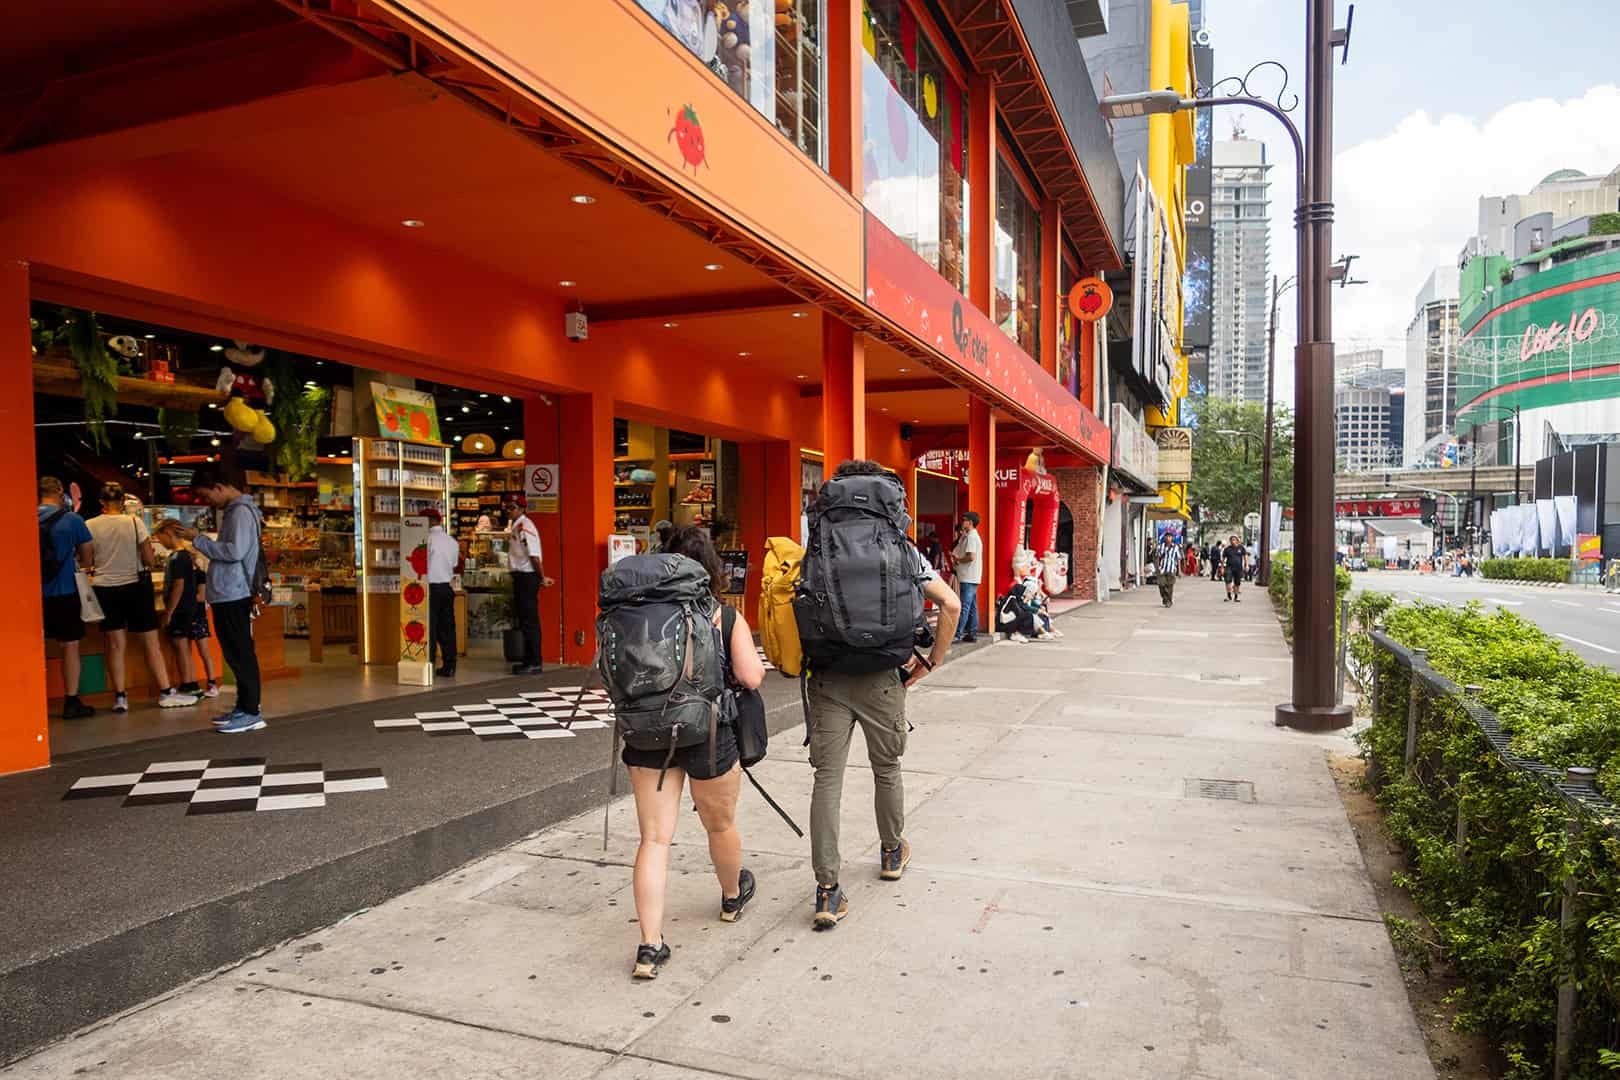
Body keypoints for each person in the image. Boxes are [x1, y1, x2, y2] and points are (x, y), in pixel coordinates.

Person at [809, 460, 962, 931]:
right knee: (887, 769)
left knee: (827, 780)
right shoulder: (903, 548)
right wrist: (931, 661)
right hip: (882, 677)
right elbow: (951, 604)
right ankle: (892, 851)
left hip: (829, 676)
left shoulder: (819, 543)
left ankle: (828, 891)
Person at [623, 526, 765, 979]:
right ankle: (731, 897)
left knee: (654, 839)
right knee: (719, 824)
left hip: (648, 734)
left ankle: (649, 946)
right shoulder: (723, 615)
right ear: (711, 569)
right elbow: (752, 677)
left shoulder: (638, 613)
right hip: (709, 732)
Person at [158, 463, 264, 732]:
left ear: (218, 487)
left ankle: (251, 711)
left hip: (234, 592)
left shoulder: (240, 512)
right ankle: (245, 706)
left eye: (207, 496)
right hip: (229, 591)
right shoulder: (236, 511)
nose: (208, 502)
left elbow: (234, 552)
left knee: (240, 652)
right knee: (235, 652)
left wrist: (200, 540)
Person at [87, 482, 196, 712]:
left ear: (101, 502)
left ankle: (120, 698)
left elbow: (87, 561)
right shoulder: (134, 522)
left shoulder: (90, 525)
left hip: (105, 588)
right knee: (150, 642)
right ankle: (165, 692)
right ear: (122, 501)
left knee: (116, 645)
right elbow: (148, 559)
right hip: (135, 587)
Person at [39, 476, 97, 719]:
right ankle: (71, 701)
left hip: (33, 595)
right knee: (70, 646)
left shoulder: (26, 516)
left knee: (34, 646)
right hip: (65, 591)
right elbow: (87, 555)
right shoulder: (72, 519)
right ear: (60, 490)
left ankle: (31, 700)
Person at [155, 527, 221, 698]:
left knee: (182, 647)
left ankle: (190, 684)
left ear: (168, 533)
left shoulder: (179, 558)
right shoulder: (181, 558)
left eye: (160, 537)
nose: (160, 542)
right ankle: (193, 683)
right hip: (188, 611)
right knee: (185, 648)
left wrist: (169, 612)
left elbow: (179, 586)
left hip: (183, 611)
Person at [505, 494, 553, 674]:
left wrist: (541, 577)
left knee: (530, 620)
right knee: (525, 620)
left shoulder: (525, 526)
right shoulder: (517, 526)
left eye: (512, 507)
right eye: (507, 507)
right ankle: (528, 659)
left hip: (527, 576)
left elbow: (534, 555)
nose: (509, 511)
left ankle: (535, 661)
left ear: (522, 508)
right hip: (521, 576)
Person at [424, 507, 462, 677]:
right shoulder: (452, 541)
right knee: (447, 628)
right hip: (446, 588)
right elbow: (454, 564)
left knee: (430, 628)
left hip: (430, 588)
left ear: (429, 520)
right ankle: (450, 665)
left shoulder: (426, 540)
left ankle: (429, 664)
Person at [950, 510, 982, 643]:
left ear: (970, 522)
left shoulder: (971, 537)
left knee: (964, 606)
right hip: (971, 576)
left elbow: (971, 556)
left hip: (968, 576)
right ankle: (972, 633)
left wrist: (958, 560)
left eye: (964, 520)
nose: (962, 522)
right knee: (972, 606)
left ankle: (958, 633)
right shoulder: (968, 536)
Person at [1155, 532, 1181, 607]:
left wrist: (1179, 571)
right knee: (1161, 585)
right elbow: (1157, 557)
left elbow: (1178, 559)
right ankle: (1165, 598)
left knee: (1169, 586)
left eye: (1170, 537)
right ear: (1164, 538)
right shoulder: (1160, 546)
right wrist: (1157, 568)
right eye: (1167, 537)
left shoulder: (1176, 547)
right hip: (1162, 569)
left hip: (1171, 569)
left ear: (1172, 538)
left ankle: (1168, 601)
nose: (1168, 538)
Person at [1222, 534, 1248, 603]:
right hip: (1229, 567)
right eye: (1231, 540)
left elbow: (1245, 556)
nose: (1233, 541)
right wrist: (1222, 568)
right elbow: (1223, 558)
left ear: (1237, 540)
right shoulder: (1227, 549)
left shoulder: (1241, 548)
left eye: (1234, 540)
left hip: (1238, 568)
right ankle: (1228, 595)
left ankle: (1236, 597)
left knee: (1237, 583)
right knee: (1228, 581)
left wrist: (1246, 565)